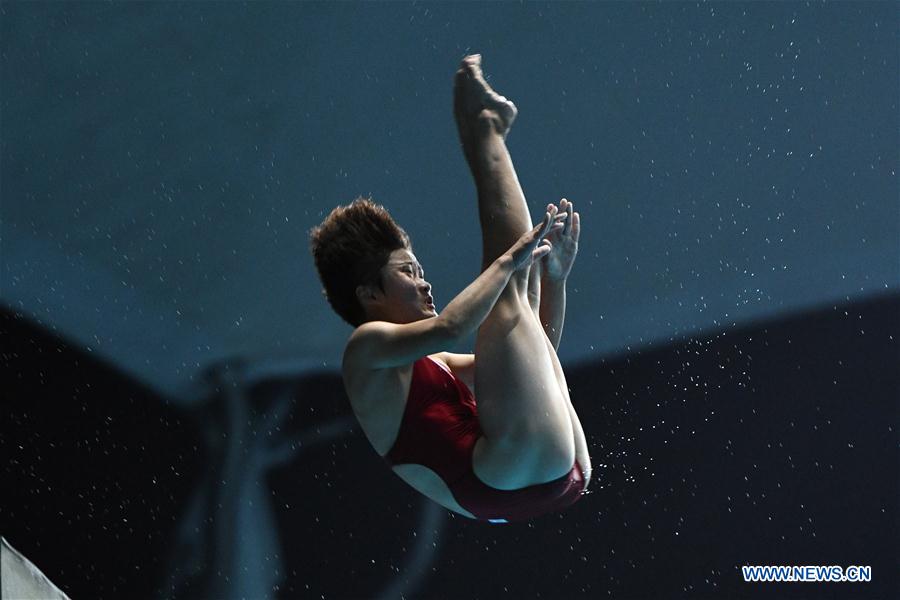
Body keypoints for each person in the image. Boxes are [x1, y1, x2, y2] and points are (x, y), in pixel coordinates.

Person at [310, 55, 591, 523]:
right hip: (507, 477)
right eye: (408, 272)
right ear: (369, 295)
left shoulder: (433, 364)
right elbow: (450, 326)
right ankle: (484, 130)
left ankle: (485, 128)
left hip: (546, 477)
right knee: (507, 291)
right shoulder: (365, 350)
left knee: (517, 301)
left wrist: (555, 282)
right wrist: (507, 260)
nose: (425, 282)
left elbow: (535, 361)